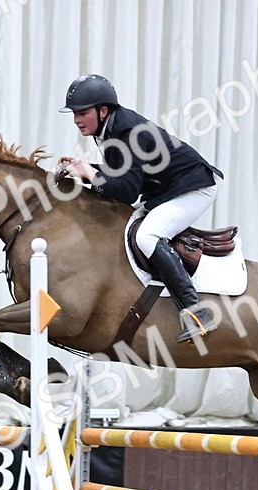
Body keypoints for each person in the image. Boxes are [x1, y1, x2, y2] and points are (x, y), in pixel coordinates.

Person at [57, 74, 223, 343]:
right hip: (167, 190)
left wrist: (90, 172)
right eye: (74, 113)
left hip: (194, 188)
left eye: (83, 112)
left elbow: (127, 192)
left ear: (103, 111)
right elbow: (122, 175)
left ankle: (197, 312)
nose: (76, 119)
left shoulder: (127, 131)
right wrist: (85, 170)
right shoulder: (110, 128)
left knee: (148, 236)